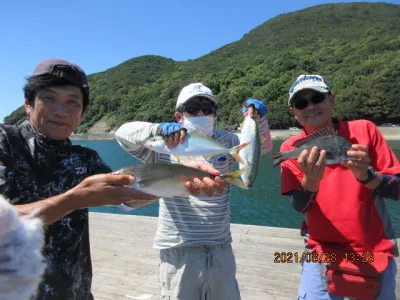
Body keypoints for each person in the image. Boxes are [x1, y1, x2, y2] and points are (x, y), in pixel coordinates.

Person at [0, 60, 223, 300]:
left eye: (72, 102)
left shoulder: (84, 160)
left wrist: (181, 177)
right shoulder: (5, 142)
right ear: (28, 103)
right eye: (49, 98)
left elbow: (127, 196)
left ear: (82, 112)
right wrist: (73, 199)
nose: (61, 110)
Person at [115, 82, 273, 299]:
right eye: (193, 108)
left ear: (215, 114)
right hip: (179, 247)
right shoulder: (162, 146)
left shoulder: (226, 141)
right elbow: (122, 134)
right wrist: (158, 129)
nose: (201, 113)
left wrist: (258, 121)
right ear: (179, 116)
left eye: (207, 109)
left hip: (220, 246)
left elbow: (259, 147)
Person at [279, 74, 400, 300]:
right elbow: (298, 205)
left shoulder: (365, 131)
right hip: (320, 251)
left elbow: (398, 188)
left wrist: (368, 177)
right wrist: (311, 182)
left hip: (372, 252)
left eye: (317, 98)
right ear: (293, 112)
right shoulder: (290, 148)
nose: (311, 106)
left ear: (331, 100)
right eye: (301, 103)